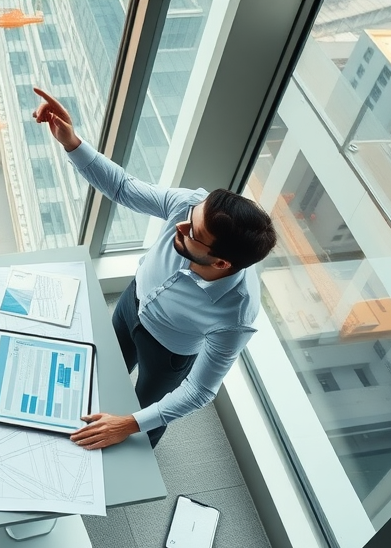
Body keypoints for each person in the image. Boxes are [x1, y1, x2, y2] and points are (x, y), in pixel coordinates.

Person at [32, 87, 277, 450]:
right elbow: (124, 187)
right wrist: (72, 143)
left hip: (169, 351)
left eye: (192, 233)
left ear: (222, 263)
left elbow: (199, 391)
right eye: (189, 217)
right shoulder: (193, 206)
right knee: (101, 371)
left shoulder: (237, 313)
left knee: (146, 416)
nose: (178, 225)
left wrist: (128, 424)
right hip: (132, 303)